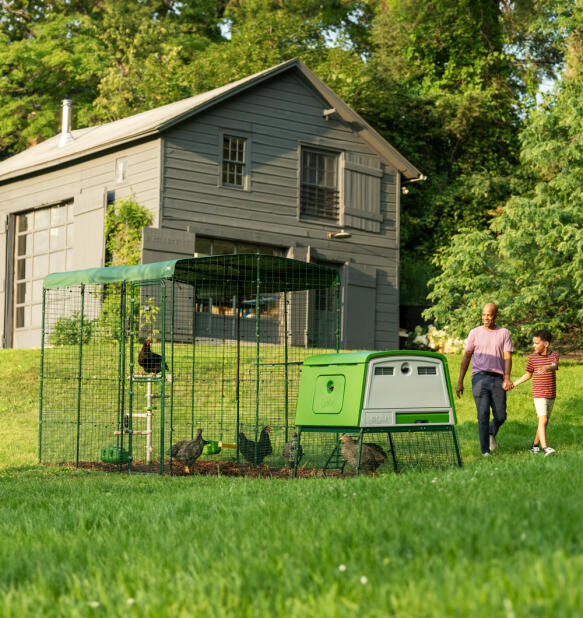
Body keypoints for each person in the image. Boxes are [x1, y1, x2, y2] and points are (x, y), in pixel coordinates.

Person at [456, 303, 513, 456]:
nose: (485, 318)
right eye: (483, 314)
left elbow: (507, 357)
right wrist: (460, 381)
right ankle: (485, 451)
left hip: (497, 379)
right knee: (482, 415)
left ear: (496, 316)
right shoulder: (474, 333)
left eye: (489, 315)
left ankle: (490, 432)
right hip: (479, 378)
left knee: (501, 415)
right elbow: (467, 356)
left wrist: (507, 378)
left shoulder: (504, 333)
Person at [510, 329, 558, 456]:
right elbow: (528, 375)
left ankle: (535, 446)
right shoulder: (532, 358)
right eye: (533, 343)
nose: (534, 345)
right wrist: (514, 384)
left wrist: (547, 367)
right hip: (538, 393)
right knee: (542, 419)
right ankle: (545, 448)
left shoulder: (554, 355)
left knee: (544, 421)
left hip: (551, 393)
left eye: (537, 343)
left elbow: (554, 365)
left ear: (546, 344)